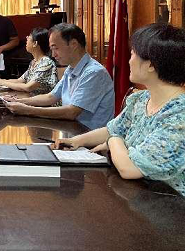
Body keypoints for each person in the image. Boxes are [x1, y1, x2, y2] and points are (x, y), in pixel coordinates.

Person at [55, 23, 185, 196]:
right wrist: (76, 141)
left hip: (169, 203)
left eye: (132, 54)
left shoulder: (179, 115)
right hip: (139, 194)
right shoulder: (141, 99)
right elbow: (113, 129)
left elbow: (129, 168)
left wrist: (113, 141)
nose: (129, 61)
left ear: (151, 65)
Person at [6, 23, 114, 129]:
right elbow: (51, 97)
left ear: (73, 44)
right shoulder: (70, 69)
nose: (53, 55)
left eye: (56, 48)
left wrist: (27, 110)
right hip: (71, 129)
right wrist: (19, 101)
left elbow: (72, 112)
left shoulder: (94, 73)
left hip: (88, 134)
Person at [0, 27, 58, 95]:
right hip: (32, 99)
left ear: (35, 43)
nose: (26, 37)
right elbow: (20, 80)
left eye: (29, 36)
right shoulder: (34, 62)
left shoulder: (46, 63)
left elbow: (28, 87)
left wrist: (1, 82)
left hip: (43, 101)